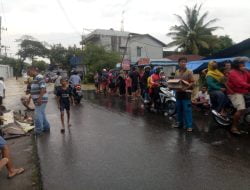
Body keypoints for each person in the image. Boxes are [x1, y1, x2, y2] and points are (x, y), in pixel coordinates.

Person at [226, 57, 250, 134]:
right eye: (242, 64)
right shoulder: (232, 73)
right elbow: (240, 83)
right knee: (241, 109)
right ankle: (234, 127)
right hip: (235, 92)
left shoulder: (244, 71)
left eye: (244, 64)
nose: (244, 65)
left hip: (244, 91)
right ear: (237, 65)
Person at [28, 66, 50, 135]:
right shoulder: (35, 78)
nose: (28, 74)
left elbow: (43, 88)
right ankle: (46, 127)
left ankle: (38, 130)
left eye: (28, 72)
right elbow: (34, 90)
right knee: (41, 114)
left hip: (41, 99)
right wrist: (30, 97)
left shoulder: (39, 77)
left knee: (37, 114)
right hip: (39, 99)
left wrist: (40, 98)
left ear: (33, 70)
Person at [174, 57, 195, 132]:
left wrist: (186, 87)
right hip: (178, 93)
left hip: (186, 93)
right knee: (179, 109)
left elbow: (192, 82)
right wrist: (172, 87)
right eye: (181, 62)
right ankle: (180, 123)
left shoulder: (189, 72)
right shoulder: (176, 72)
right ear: (178, 63)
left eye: (184, 62)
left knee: (187, 110)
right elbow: (175, 82)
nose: (183, 63)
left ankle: (189, 126)